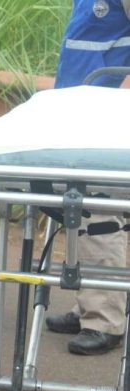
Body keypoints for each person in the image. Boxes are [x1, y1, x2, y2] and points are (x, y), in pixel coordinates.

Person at [44, 0, 130, 356]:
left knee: (99, 215)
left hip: (105, 110)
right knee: (79, 212)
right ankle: (87, 306)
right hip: (80, 107)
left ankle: (104, 321)